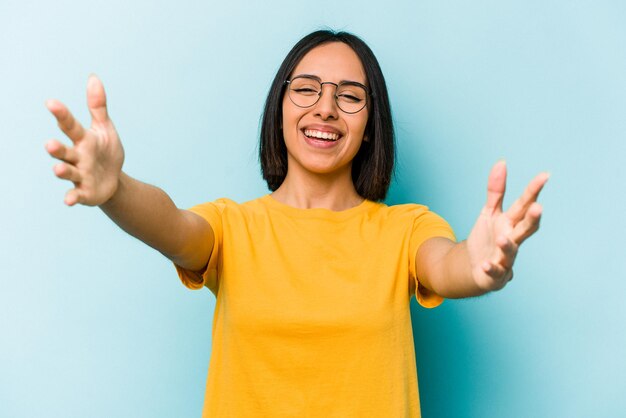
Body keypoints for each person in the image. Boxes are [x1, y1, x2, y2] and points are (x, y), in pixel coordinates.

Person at [45, 30, 548, 418]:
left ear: (372, 124)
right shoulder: (233, 227)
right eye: (306, 89)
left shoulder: (405, 229)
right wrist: (117, 190)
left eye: (350, 96)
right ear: (280, 108)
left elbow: (448, 264)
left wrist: (482, 265)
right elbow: (172, 227)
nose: (325, 108)